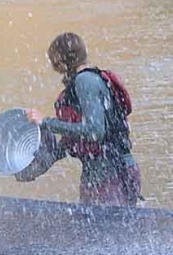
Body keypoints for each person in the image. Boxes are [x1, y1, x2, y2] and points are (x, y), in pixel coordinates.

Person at [21, 32, 142, 207]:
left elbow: (94, 132)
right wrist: (34, 168)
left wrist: (46, 122)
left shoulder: (84, 81)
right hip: (108, 175)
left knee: (102, 232)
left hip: (110, 177)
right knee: (107, 232)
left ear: (61, 62)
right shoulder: (88, 81)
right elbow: (73, 143)